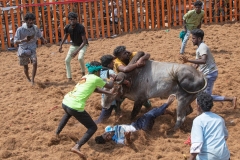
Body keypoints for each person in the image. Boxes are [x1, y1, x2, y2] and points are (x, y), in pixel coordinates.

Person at [55, 61, 116, 159]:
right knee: (93, 127)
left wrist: (107, 93)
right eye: (100, 71)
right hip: (75, 105)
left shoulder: (86, 76)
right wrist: (113, 79)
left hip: (66, 102)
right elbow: (110, 86)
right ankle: (77, 146)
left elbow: (94, 89)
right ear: (97, 71)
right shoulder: (96, 78)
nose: (100, 73)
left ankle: (56, 133)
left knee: (67, 114)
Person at [179, 29, 237, 108]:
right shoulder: (199, 48)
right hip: (206, 74)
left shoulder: (203, 47)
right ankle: (231, 99)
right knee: (202, 96)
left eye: (193, 38)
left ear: (199, 39)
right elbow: (196, 64)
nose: (192, 40)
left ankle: (231, 99)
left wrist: (188, 60)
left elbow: (203, 60)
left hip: (210, 74)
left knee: (205, 97)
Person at [95, 94, 176, 145]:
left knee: (148, 114)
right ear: (108, 141)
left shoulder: (108, 128)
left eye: (105, 134)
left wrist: (119, 115)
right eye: (107, 138)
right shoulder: (117, 140)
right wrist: (127, 137)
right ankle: (166, 105)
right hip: (141, 130)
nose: (107, 135)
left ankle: (164, 112)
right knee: (150, 115)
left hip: (135, 124)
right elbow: (128, 143)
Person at [188, 92, 230, 160]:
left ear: (198, 106)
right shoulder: (219, 119)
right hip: (224, 156)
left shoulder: (198, 121)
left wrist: (191, 158)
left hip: (208, 157)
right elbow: (225, 136)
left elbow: (197, 144)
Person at [14, 13, 47, 85]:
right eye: (29, 20)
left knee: (35, 62)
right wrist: (24, 40)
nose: (31, 22)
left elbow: (40, 35)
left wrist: (43, 40)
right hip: (23, 49)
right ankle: (28, 78)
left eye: (32, 20)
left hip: (32, 48)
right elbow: (15, 42)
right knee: (26, 67)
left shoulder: (35, 28)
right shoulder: (20, 29)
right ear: (26, 21)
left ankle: (32, 80)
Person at [59, 12, 88, 81]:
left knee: (80, 58)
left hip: (82, 45)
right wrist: (61, 44)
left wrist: (76, 51)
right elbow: (66, 35)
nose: (72, 21)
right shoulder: (67, 27)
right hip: (74, 45)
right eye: (70, 19)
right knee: (67, 60)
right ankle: (69, 77)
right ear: (68, 20)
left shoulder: (81, 27)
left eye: (73, 19)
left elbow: (84, 41)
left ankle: (83, 73)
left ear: (76, 20)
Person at [95, 55, 122, 124]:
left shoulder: (100, 70)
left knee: (114, 102)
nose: (113, 64)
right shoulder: (111, 72)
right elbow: (118, 80)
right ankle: (98, 122)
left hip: (104, 91)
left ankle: (118, 112)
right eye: (112, 63)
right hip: (110, 93)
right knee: (107, 109)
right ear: (109, 64)